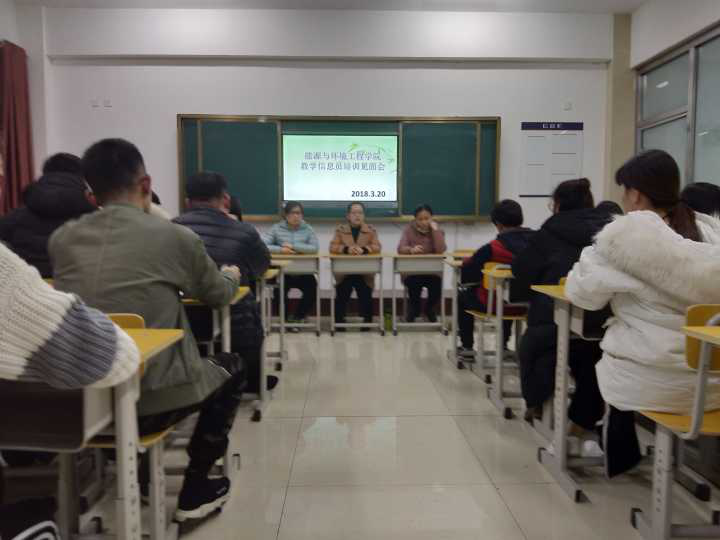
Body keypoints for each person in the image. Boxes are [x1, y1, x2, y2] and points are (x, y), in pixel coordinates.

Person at [49, 138, 244, 522]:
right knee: (233, 366)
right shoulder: (174, 236)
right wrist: (231, 275)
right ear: (146, 184)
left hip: (83, 402)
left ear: (91, 194)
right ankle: (195, 488)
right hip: (154, 401)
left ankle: (134, 472)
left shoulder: (63, 239)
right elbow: (218, 295)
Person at [566, 150, 720, 477]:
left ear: (635, 194)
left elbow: (583, 295)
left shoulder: (620, 239)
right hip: (711, 387)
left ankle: (615, 453)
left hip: (653, 380)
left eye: (624, 191)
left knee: (600, 355)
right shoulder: (709, 233)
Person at [512, 178, 612, 454]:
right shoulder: (607, 229)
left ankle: (536, 404)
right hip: (601, 324)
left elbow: (521, 270)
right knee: (589, 360)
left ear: (557, 204)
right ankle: (582, 423)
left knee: (533, 349)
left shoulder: (550, 231)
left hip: (552, 320)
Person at [174, 171, 276, 394]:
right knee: (249, 312)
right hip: (235, 323)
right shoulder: (244, 231)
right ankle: (251, 382)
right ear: (226, 200)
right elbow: (261, 267)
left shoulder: (170, 229)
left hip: (183, 323)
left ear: (187, 202)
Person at [456, 199, 534, 356]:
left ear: (498, 224)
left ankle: (467, 347)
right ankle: (503, 345)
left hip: (493, 305)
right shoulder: (536, 243)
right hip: (529, 305)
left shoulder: (493, 248)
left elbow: (467, 272)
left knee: (463, 295)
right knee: (509, 292)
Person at [0, 152, 95, 277]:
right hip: (79, 285)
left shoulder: (13, 218)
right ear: (82, 177)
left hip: (29, 286)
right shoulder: (98, 217)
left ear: (45, 174)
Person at [263, 201, 319, 327]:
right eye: (293, 213)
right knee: (279, 291)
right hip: (283, 272)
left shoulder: (308, 229)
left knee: (312, 288)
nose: (296, 216)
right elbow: (264, 245)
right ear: (286, 215)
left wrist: (293, 246)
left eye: (299, 213)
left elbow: (315, 248)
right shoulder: (276, 228)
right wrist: (280, 249)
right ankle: (286, 319)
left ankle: (298, 317)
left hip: (303, 271)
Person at [329, 202, 381, 329]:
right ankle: (339, 322)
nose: (357, 215)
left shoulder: (371, 230)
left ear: (364, 215)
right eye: (354, 213)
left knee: (365, 292)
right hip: (345, 272)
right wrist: (346, 249)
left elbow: (377, 246)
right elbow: (333, 247)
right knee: (342, 291)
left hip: (364, 272)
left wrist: (365, 249)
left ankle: (367, 322)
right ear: (348, 216)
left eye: (360, 213)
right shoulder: (340, 230)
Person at [397, 204, 447, 322]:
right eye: (420, 219)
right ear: (415, 219)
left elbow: (440, 250)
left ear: (431, 218)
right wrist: (411, 250)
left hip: (432, 272)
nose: (424, 222)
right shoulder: (408, 230)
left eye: (427, 218)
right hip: (413, 271)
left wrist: (435, 231)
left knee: (436, 285)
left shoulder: (438, 231)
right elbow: (400, 248)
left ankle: (429, 309)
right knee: (414, 284)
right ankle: (414, 309)